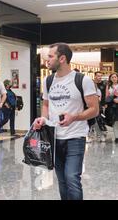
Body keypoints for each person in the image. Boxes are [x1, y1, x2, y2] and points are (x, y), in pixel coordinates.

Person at [33, 43, 98, 200]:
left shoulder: (83, 80)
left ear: (62, 58)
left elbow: (94, 109)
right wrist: (43, 119)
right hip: (55, 137)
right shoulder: (48, 81)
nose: (46, 60)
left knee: (72, 178)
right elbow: (47, 104)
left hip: (75, 136)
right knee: (62, 180)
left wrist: (73, 117)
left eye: (50, 56)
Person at [88, 71, 107, 142]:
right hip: (89, 107)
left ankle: (102, 135)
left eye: (101, 76)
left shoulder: (102, 86)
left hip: (98, 106)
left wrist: (103, 104)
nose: (100, 77)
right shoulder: (89, 86)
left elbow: (101, 97)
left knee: (99, 120)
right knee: (90, 121)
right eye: (98, 76)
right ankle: (90, 136)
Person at [105, 72, 118, 143]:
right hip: (112, 106)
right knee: (114, 121)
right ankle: (116, 137)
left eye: (115, 77)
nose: (114, 78)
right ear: (110, 78)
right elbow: (106, 97)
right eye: (112, 77)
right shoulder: (109, 86)